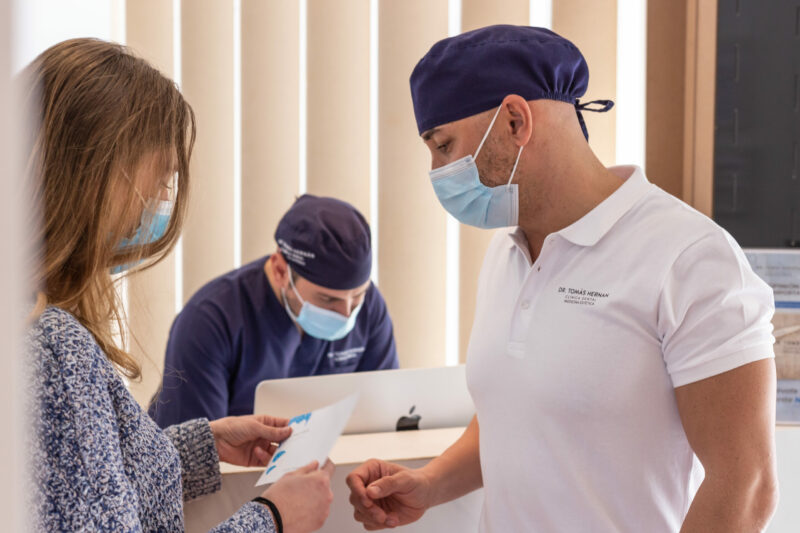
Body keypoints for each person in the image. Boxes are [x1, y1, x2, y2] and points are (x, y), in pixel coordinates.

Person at [346, 25, 778, 532]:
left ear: (514, 120)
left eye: (443, 146)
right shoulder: (506, 255)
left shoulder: (688, 259)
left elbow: (745, 486)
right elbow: (517, 415)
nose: (437, 170)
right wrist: (432, 482)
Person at [25, 38, 333, 532]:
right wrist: (273, 518)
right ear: (99, 173)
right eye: (162, 175)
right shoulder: (54, 348)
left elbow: (79, 485)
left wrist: (196, 448)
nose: (165, 196)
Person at [148, 195, 399, 428]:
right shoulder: (210, 321)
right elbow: (193, 457)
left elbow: (384, 416)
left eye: (357, 296)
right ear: (280, 271)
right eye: (327, 299)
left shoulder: (368, 308)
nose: (346, 314)